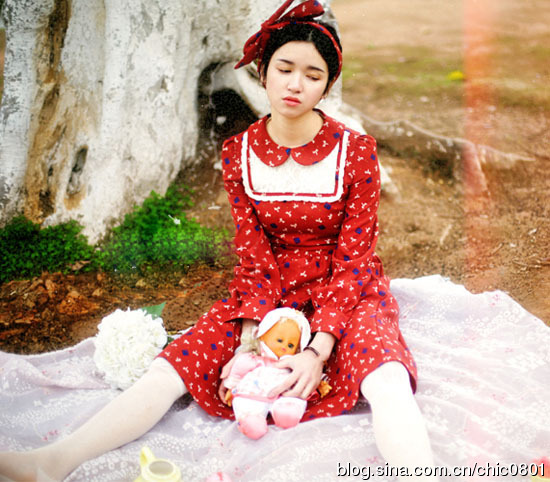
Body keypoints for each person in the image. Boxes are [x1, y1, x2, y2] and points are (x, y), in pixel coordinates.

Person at [0, 1, 437, 480]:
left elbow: (354, 257)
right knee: (173, 367)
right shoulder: (238, 153)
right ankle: (50, 463)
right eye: (284, 69)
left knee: (386, 375)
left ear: (327, 85)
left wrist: (318, 350)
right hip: (269, 288)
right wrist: (251, 340)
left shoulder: (355, 152)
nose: (295, 84)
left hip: (345, 289)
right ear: (261, 72)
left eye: (312, 75)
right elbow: (253, 253)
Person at [223, 307, 330, 439]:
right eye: (279, 340)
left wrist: (322, 383)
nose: (284, 346)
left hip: (284, 395)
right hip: (254, 394)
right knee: (248, 406)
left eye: (290, 345)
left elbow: (310, 372)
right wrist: (231, 387)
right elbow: (238, 372)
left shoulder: (294, 362)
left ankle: (286, 413)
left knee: (291, 403)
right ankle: (250, 420)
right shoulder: (254, 359)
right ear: (262, 335)